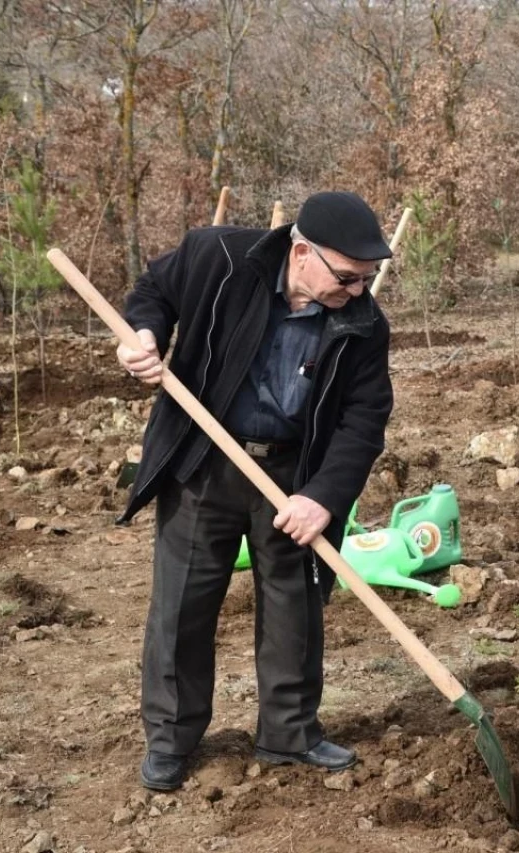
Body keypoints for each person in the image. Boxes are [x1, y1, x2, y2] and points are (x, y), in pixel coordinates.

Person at [117, 191, 395, 791]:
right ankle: (170, 739)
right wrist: (141, 336)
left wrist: (322, 496)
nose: (357, 291)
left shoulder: (362, 323)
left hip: (293, 476)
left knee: (295, 607)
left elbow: (364, 418)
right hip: (205, 461)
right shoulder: (218, 256)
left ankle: (289, 734)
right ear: (301, 253)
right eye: (348, 277)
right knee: (182, 607)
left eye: (367, 279)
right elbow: (154, 294)